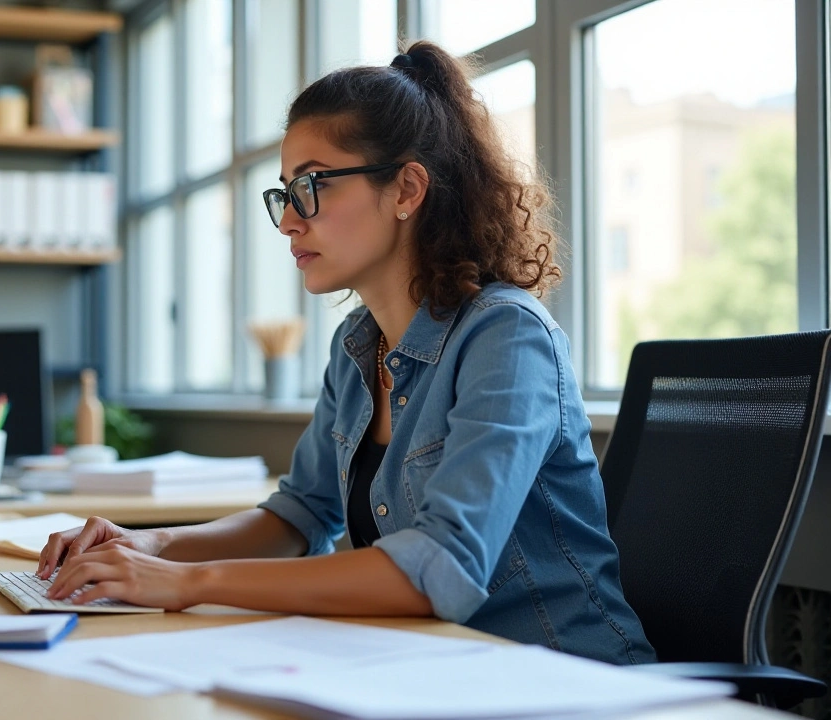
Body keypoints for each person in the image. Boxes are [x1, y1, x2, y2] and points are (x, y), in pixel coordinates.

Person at [38, 40, 655, 665]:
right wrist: (155, 547)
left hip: (562, 680)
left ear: (406, 189)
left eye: (310, 185)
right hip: (430, 669)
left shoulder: (507, 336)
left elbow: (441, 567)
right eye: (284, 193)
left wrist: (192, 584)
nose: (287, 221)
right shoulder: (357, 344)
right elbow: (301, 515)